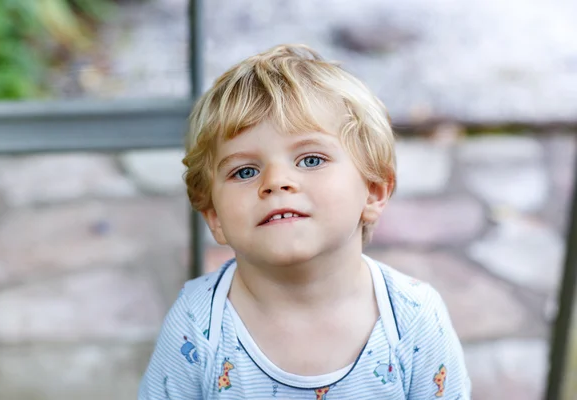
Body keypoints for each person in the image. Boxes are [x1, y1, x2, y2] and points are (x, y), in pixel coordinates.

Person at [139, 44, 471, 399]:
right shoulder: (197, 326)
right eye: (245, 171)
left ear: (373, 192)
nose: (276, 181)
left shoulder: (414, 320)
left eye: (311, 160)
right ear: (215, 216)